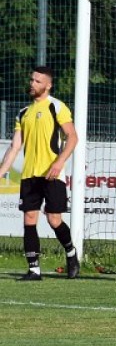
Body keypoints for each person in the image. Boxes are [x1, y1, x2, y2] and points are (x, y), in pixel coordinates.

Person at [0, 66, 80, 280]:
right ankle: (34, 269)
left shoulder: (57, 107)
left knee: (54, 220)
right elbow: (15, 146)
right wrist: (1, 172)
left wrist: (59, 162)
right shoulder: (23, 113)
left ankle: (71, 253)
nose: (32, 84)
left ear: (48, 85)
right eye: (32, 80)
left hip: (52, 174)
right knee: (29, 218)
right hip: (29, 175)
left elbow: (72, 137)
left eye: (37, 81)